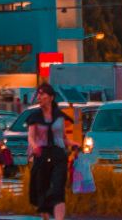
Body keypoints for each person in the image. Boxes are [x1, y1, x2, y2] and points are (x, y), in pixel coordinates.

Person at [24, 83, 74, 219]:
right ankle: (45, 215)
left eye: (42, 94)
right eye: (38, 95)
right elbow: (31, 136)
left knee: (58, 189)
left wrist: (74, 144)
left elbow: (63, 138)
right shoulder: (35, 116)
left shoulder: (59, 116)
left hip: (58, 154)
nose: (39, 97)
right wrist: (34, 146)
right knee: (42, 190)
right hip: (41, 154)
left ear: (51, 97)